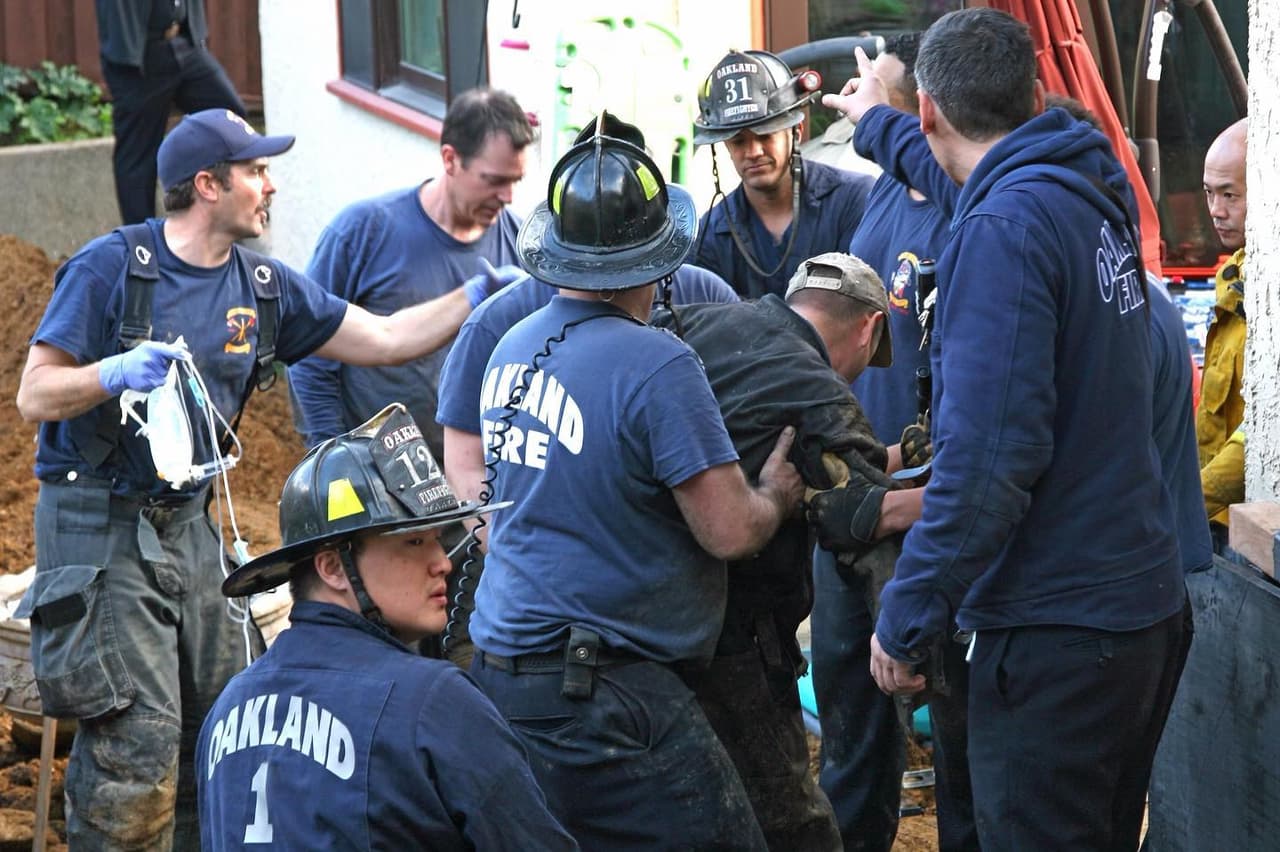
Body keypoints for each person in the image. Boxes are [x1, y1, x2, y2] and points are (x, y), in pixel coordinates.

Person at [14, 108, 516, 850]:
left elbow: (380, 339)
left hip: (189, 521)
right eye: (256, 171)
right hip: (98, 521)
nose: (271, 186)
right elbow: (35, 394)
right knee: (136, 746)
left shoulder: (265, 286)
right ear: (210, 185)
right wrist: (111, 372)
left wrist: (479, 293)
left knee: (219, 721)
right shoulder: (113, 268)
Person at [823, 9, 1187, 851]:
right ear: (1028, 96)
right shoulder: (1079, 188)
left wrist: (907, 617)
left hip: (1061, 638)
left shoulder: (1001, 233)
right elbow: (955, 166)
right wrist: (877, 119)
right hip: (1139, 615)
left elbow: (990, 463)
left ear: (932, 112)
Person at [467, 130, 804, 849]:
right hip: (604, 691)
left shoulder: (508, 347)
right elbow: (729, 531)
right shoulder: (659, 364)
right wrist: (776, 492)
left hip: (501, 677)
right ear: (659, 257)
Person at [197, 403, 576, 850]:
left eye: (437, 540)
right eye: (413, 541)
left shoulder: (227, 706)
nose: (441, 564)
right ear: (333, 567)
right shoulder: (435, 701)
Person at [435, 112, 740, 665]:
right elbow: (463, 454)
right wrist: (510, 541)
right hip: (536, 615)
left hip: (662, 599)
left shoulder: (705, 296)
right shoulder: (498, 324)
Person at [805, 32, 969, 852]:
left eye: (893, 104)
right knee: (848, 710)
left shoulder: (969, 206)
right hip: (856, 494)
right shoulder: (879, 196)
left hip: (930, 509)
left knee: (955, 728)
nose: (876, 115)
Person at [289, 88, 535, 463]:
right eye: (494, 180)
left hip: (470, 484)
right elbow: (309, 353)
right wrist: (329, 457)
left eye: (515, 180)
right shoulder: (363, 233)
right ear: (450, 159)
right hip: (377, 481)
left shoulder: (521, 247)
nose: (508, 197)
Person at [692, 49, 875, 299]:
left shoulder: (853, 200)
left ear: (796, 131)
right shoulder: (709, 234)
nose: (753, 151)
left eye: (765, 135)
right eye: (738, 141)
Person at [96, 0, 246, 224]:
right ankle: (142, 246)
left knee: (228, 119)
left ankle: (214, 214)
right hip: (140, 53)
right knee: (137, 155)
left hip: (183, 42)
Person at [1197, 117, 1248, 549]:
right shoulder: (1234, 276)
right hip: (1218, 524)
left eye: (1230, 194)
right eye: (1210, 193)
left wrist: (1189, 499)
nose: (1215, 209)